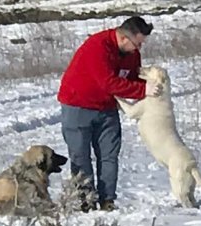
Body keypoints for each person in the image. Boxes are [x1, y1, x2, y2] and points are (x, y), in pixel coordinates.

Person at [57, 16, 160, 211]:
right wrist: (142, 90)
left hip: (107, 109)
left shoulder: (132, 54)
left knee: (109, 155)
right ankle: (85, 201)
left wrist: (149, 87)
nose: (139, 49)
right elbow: (108, 82)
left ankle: (107, 201)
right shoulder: (98, 46)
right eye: (137, 44)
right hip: (78, 106)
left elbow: (132, 79)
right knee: (81, 156)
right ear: (123, 38)